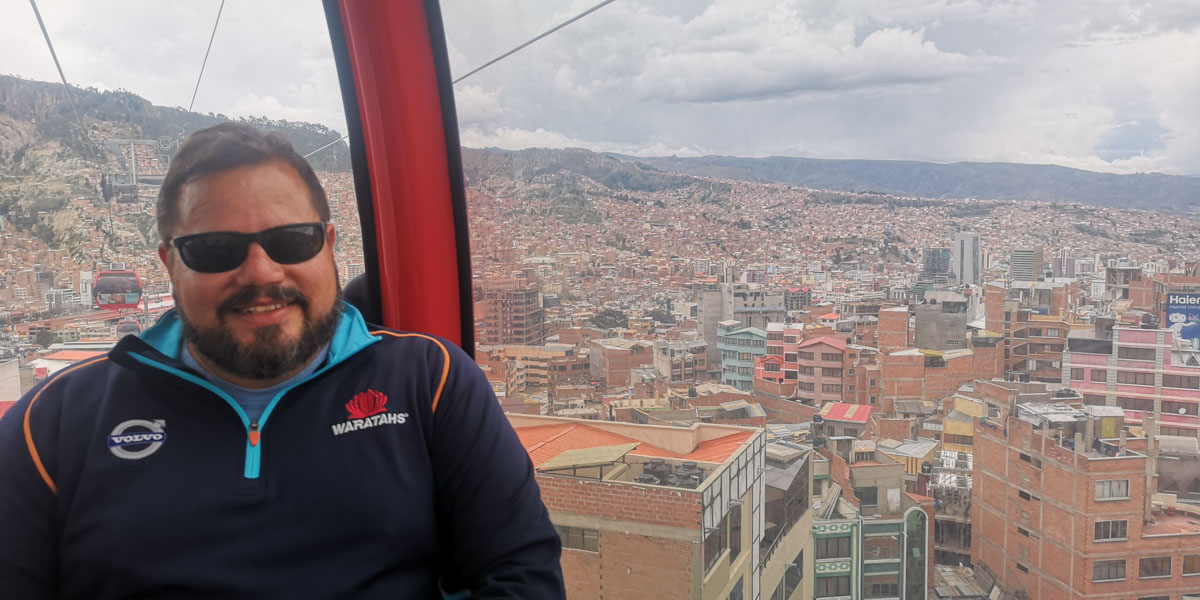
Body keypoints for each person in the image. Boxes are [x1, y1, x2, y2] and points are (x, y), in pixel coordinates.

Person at [0, 123, 564, 599]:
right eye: (216, 249)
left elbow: (520, 574)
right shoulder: (54, 424)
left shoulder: (430, 382)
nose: (262, 272)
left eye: (292, 240)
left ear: (330, 245)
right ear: (170, 264)